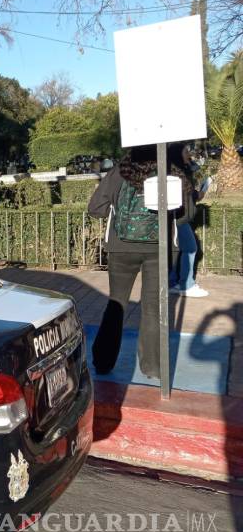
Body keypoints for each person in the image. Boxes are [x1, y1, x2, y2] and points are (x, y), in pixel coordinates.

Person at [87, 145, 192, 378]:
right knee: (153, 308)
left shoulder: (119, 172)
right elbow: (187, 215)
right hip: (161, 249)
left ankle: (103, 361)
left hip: (121, 248)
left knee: (117, 303)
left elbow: (96, 208)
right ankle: (153, 366)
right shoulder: (172, 174)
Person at [168, 142, 208, 298]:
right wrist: (196, 195)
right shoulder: (175, 174)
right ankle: (186, 284)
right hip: (179, 218)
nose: (188, 154)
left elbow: (188, 193)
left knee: (179, 251)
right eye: (185, 151)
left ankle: (176, 282)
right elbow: (181, 196)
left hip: (182, 218)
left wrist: (197, 195)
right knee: (190, 248)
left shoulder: (182, 171)